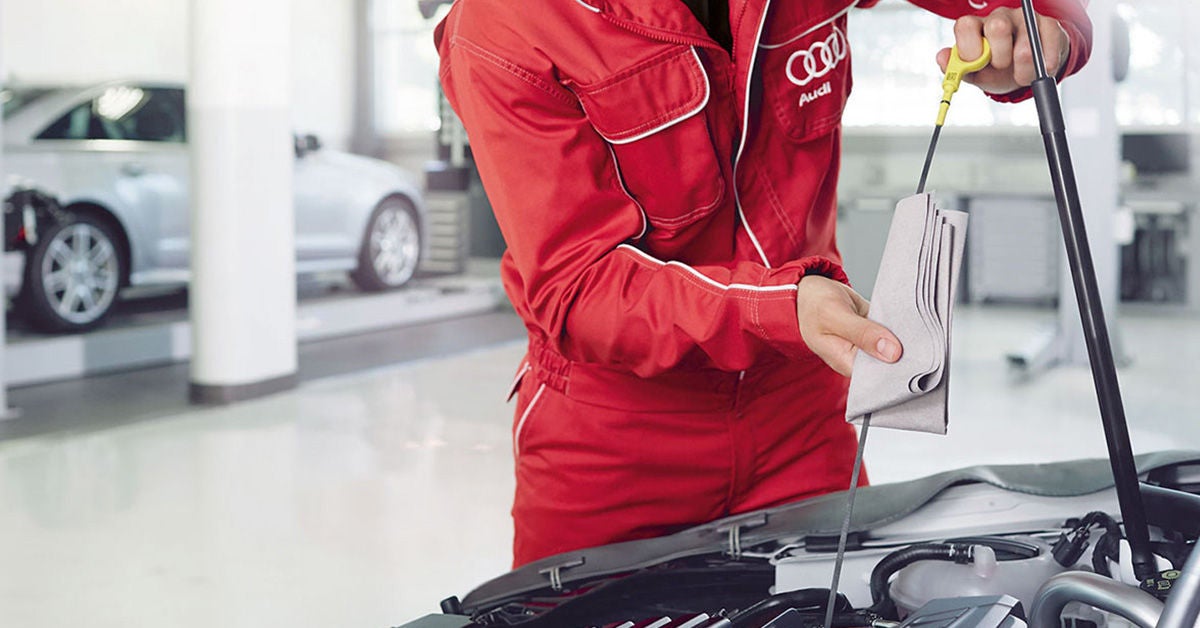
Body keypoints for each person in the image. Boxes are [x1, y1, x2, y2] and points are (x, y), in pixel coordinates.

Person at [434, 0, 1092, 568]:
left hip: (800, 414)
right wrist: (782, 307)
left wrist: (1047, 33)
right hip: (616, 440)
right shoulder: (505, 25)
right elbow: (575, 285)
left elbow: (1045, 12)